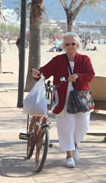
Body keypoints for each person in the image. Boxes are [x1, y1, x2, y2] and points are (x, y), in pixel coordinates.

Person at [32, 32, 95, 168]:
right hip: (62, 99)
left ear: (77, 44)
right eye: (67, 44)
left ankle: (76, 144)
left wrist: (78, 76)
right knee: (67, 126)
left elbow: (90, 75)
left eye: (73, 44)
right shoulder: (58, 60)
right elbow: (45, 71)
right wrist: (37, 74)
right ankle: (69, 155)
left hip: (81, 98)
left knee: (83, 126)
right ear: (63, 46)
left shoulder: (84, 59)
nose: (71, 46)